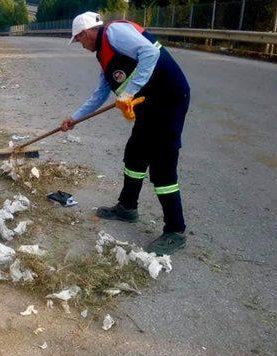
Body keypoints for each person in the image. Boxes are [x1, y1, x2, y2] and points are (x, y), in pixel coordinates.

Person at [62, 12, 191, 255]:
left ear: (86, 32)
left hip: (169, 100)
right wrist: (75, 118)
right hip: (147, 104)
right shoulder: (104, 54)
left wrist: (128, 91)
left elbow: (150, 53)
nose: (81, 45)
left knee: (162, 166)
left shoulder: (114, 33)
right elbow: (100, 94)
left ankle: (176, 230)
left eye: (80, 40)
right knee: (135, 154)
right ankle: (127, 207)